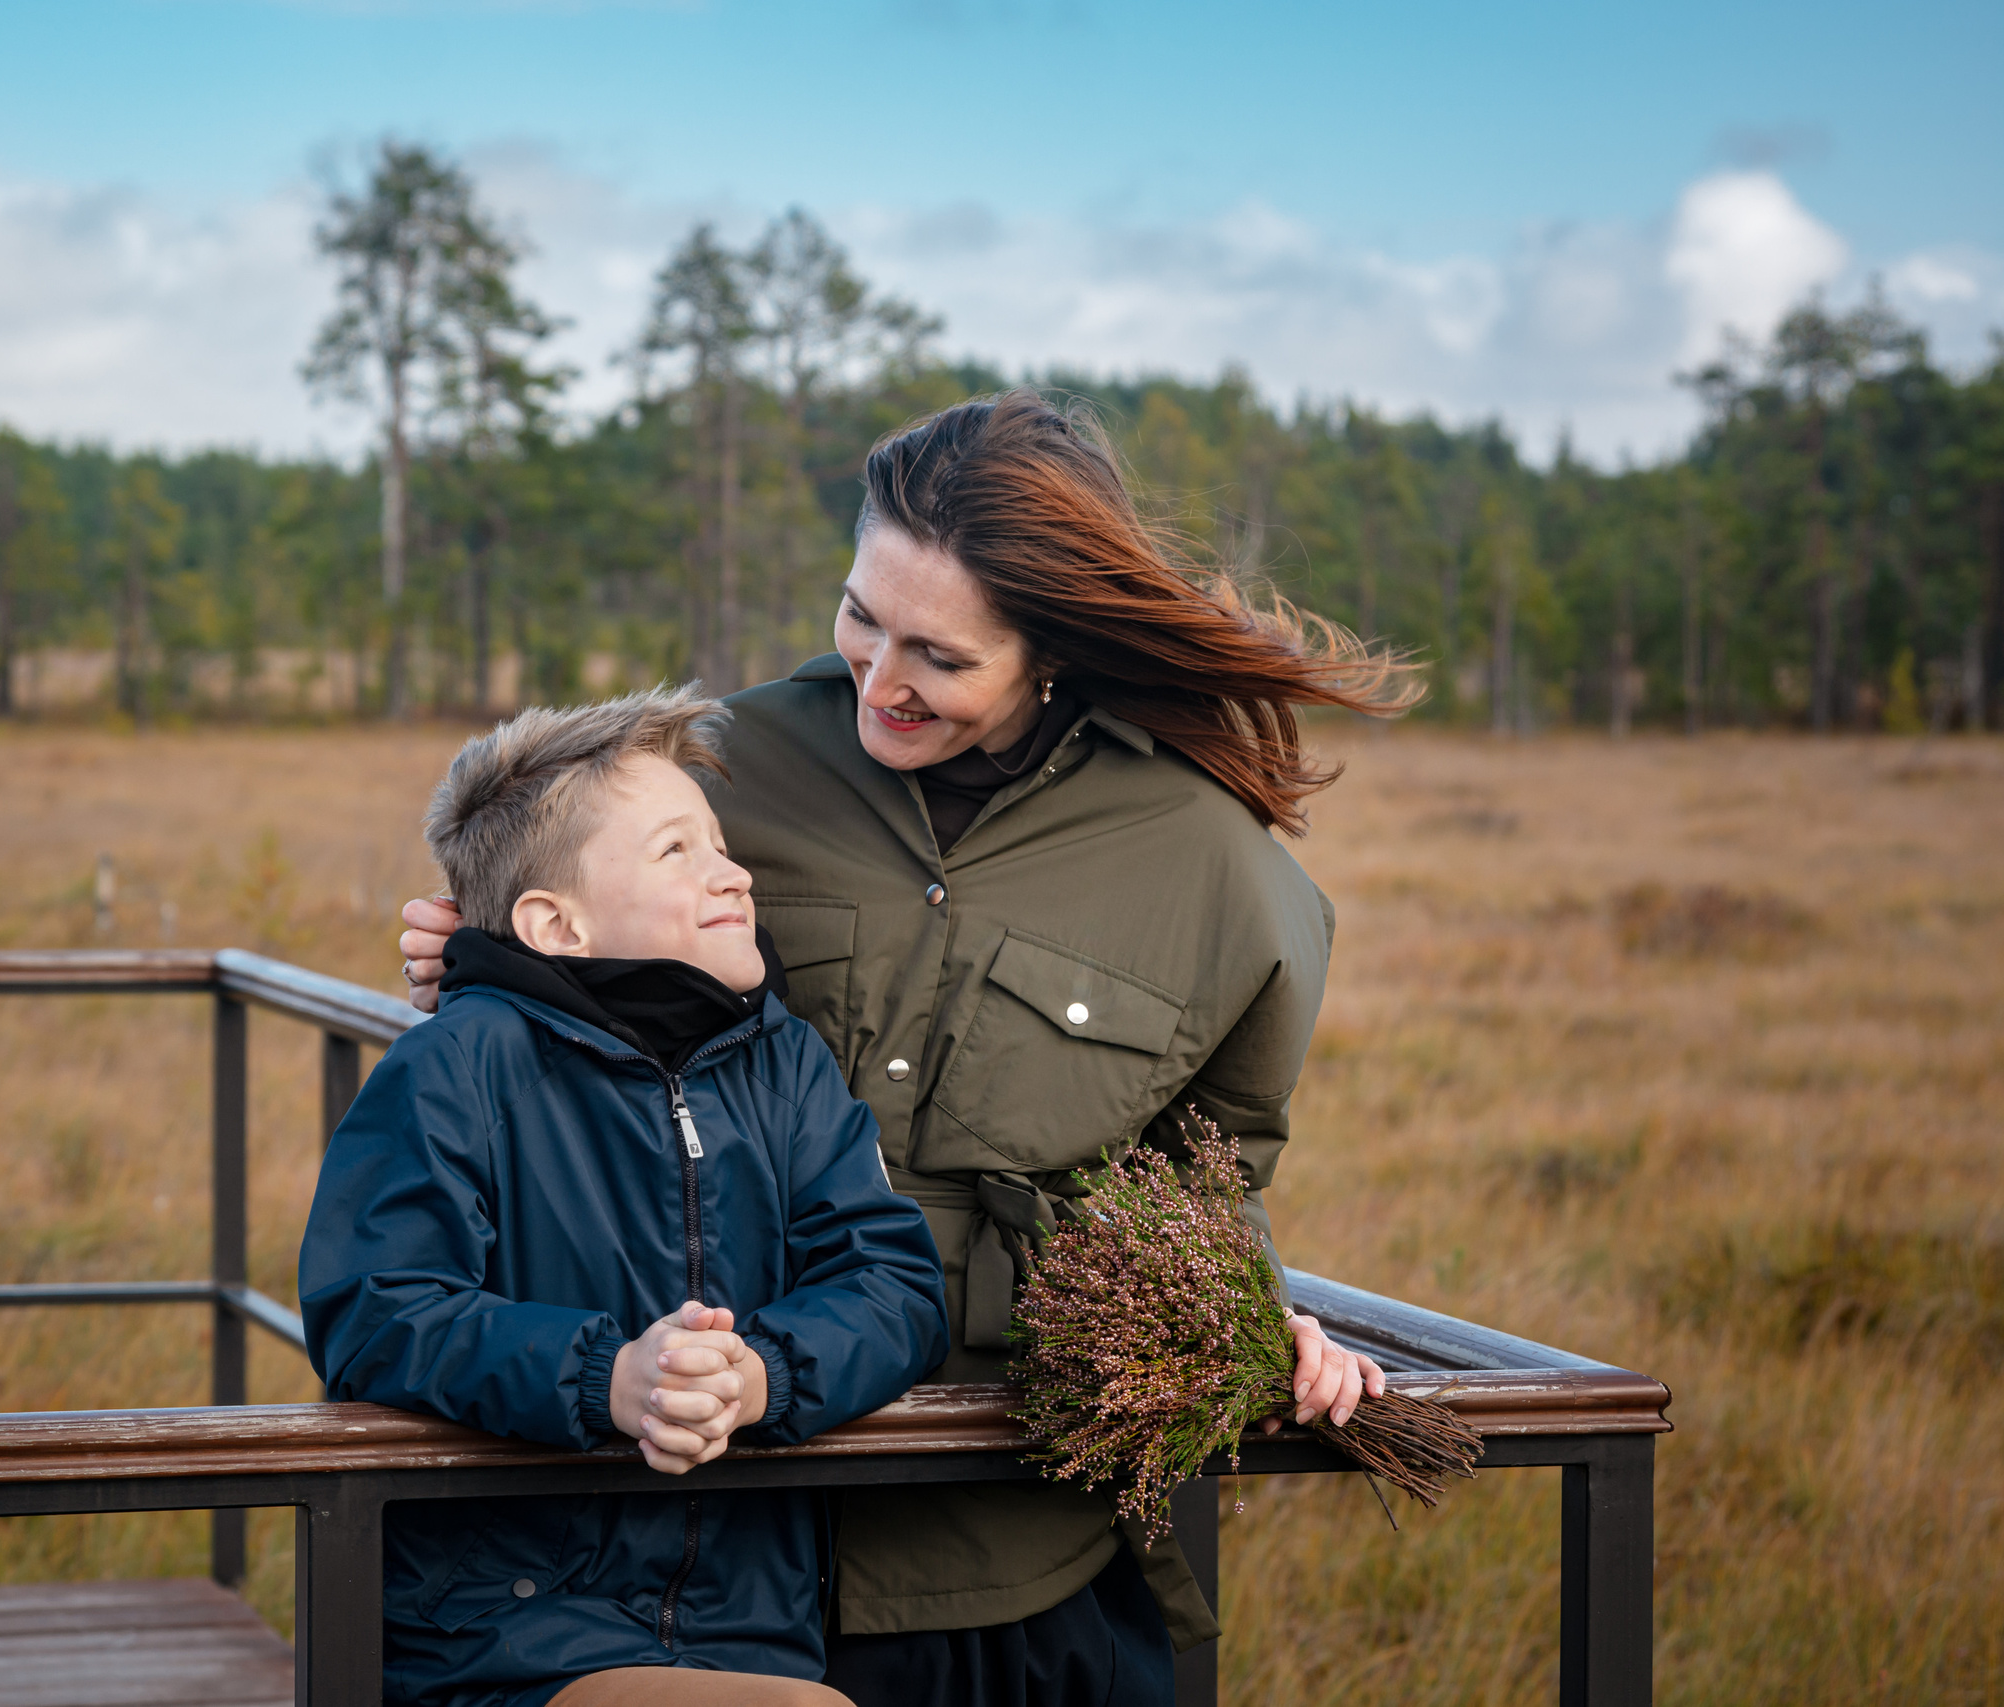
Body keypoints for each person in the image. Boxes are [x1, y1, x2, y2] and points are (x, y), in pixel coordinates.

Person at [402, 391, 1420, 1707]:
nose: (880, 677)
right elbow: (561, 976)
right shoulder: (724, 766)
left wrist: (1247, 1304)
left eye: (938, 654)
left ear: (1050, 647)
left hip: (1021, 1535)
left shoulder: (1216, 869)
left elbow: (1206, 1177)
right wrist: (480, 958)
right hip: (715, 1532)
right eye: (859, 615)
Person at [303, 687, 951, 1707]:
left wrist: (757, 1377)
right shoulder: (458, 1067)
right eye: (674, 853)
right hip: (505, 1628)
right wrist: (606, 1377)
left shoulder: (783, 1063)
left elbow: (895, 1282)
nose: (730, 872)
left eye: (719, 843)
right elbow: (377, 1310)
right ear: (554, 923)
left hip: (751, 1615)